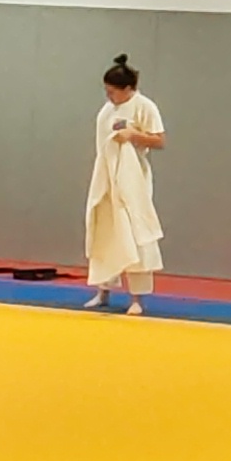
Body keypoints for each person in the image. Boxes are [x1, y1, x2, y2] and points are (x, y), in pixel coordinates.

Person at [83, 56, 164, 313]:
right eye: (106, 92)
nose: (109, 97)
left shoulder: (144, 107)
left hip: (133, 180)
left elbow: (159, 140)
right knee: (105, 231)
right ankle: (103, 290)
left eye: (113, 92)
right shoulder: (107, 110)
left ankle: (137, 298)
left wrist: (134, 135)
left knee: (135, 234)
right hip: (106, 177)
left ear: (128, 89)